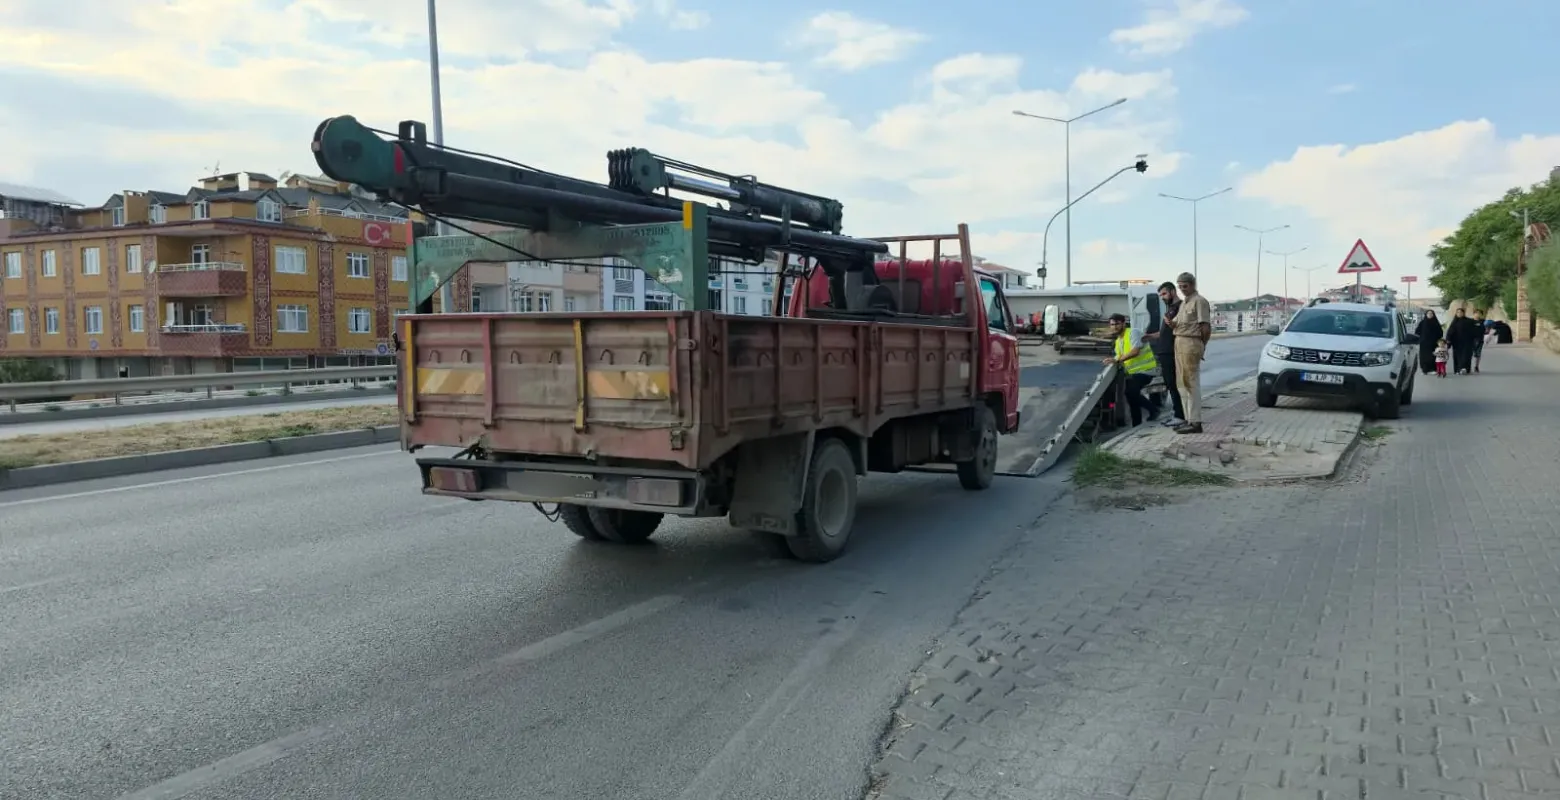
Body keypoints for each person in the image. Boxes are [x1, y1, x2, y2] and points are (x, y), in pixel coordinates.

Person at [1170, 272, 1212, 434]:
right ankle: (1188, 419)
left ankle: (1195, 422)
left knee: (1191, 383)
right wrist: (1171, 324)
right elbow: (1180, 324)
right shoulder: (1183, 303)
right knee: (1181, 383)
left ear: (1193, 285)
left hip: (1191, 342)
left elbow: (1205, 328)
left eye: (1185, 286)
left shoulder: (1199, 301)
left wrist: (1202, 345)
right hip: (1179, 340)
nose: (1182, 290)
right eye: (1180, 287)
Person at [1103, 313, 1160, 426]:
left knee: (1131, 392)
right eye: (1112, 325)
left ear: (1124, 323)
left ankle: (1154, 410)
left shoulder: (1133, 332)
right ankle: (1137, 423)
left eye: (1117, 324)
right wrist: (1111, 360)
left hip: (1146, 370)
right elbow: (1118, 356)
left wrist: (1117, 360)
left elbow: (1135, 351)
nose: (1114, 327)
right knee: (1131, 397)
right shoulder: (1119, 341)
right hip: (1133, 372)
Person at [1145, 281, 1186, 427]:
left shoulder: (1181, 307)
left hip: (1171, 353)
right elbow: (1164, 333)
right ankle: (1177, 414)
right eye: (1160, 294)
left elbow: (1181, 330)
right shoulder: (1170, 309)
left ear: (1172, 292)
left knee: (1175, 384)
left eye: (1164, 293)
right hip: (1165, 352)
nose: (1162, 297)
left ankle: (1181, 416)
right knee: (1170, 384)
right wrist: (1149, 337)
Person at [1445, 307, 1479, 375]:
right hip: (1457, 342)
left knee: (1466, 355)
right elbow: (1450, 332)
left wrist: (1475, 338)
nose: (1459, 313)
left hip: (1467, 342)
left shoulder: (1469, 321)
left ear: (1463, 313)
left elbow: (1475, 330)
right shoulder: (1454, 322)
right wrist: (1448, 340)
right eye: (1458, 312)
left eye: (1461, 312)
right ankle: (1458, 369)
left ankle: (1465, 368)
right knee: (1457, 356)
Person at [1414, 310, 1442, 375]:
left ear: (1433, 315)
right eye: (1428, 313)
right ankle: (1425, 369)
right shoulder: (1422, 323)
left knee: (1433, 356)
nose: (1430, 314)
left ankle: (1433, 369)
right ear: (1426, 314)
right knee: (1424, 357)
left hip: (1434, 343)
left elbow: (1440, 333)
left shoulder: (1436, 323)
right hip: (1424, 343)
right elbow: (1417, 331)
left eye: (1431, 313)